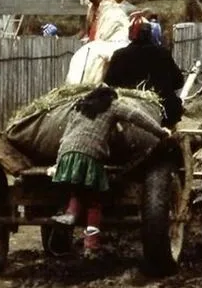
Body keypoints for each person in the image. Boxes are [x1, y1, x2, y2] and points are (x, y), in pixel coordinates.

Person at [51, 85, 169, 256]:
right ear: (111, 97)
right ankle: (91, 245)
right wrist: (160, 132)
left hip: (66, 155)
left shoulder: (80, 107)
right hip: (90, 155)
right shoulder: (112, 105)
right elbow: (136, 116)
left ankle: (71, 213)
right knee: (94, 201)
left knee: (78, 189)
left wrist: (57, 164)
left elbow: (64, 137)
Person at [104, 21, 185, 129]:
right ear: (152, 35)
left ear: (131, 36)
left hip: (125, 108)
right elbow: (179, 81)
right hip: (163, 111)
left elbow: (109, 83)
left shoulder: (119, 55)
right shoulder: (162, 53)